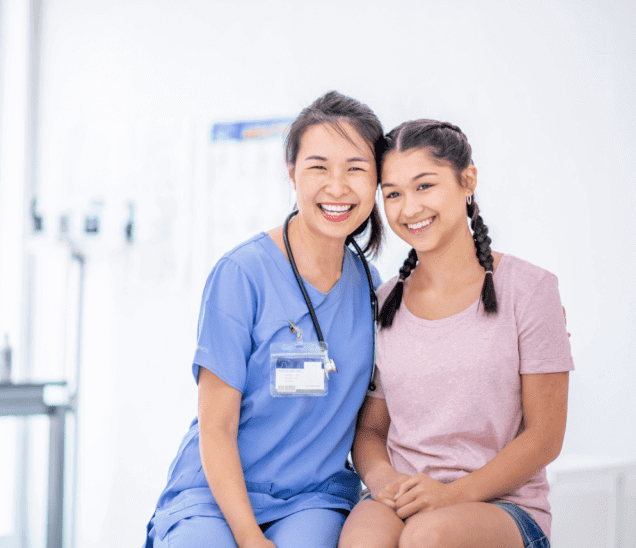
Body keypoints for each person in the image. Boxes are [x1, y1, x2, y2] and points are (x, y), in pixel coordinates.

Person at [143, 91, 385, 548]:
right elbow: (216, 427)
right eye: (319, 167)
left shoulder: (371, 288)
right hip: (213, 494)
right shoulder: (241, 275)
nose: (337, 186)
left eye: (356, 168)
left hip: (311, 498)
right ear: (292, 173)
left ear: (376, 180)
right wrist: (250, 537)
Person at [339, 119, 574, 548]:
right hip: (406, 497)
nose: (409, 209)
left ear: (467, 181)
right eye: (392, 194)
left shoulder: (531, 289)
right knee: (362, 540)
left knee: (429, 537)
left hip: (504, 506)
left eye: (424, 186)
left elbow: (545, 436)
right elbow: (371, 430)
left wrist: (449, 495)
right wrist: (383, 478)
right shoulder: (384, 300)